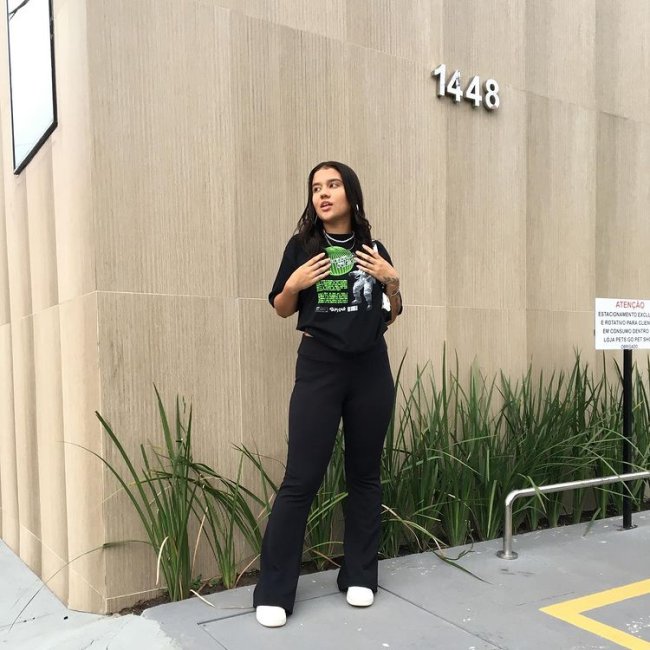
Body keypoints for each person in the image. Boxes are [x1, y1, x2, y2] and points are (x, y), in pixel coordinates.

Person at [253, 161, 402, 627]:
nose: (323, 194)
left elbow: (392, 313)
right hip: (319, 367)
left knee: (365, 475)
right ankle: (275, 591)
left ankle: (359, 575)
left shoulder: (372, 250)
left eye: (332, 185)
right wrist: (293, 285)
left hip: (369, 367)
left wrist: (393, 282)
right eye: (316, 188)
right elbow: (281, 309)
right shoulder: (302, 247)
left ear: (350, 194)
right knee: (301, 479)